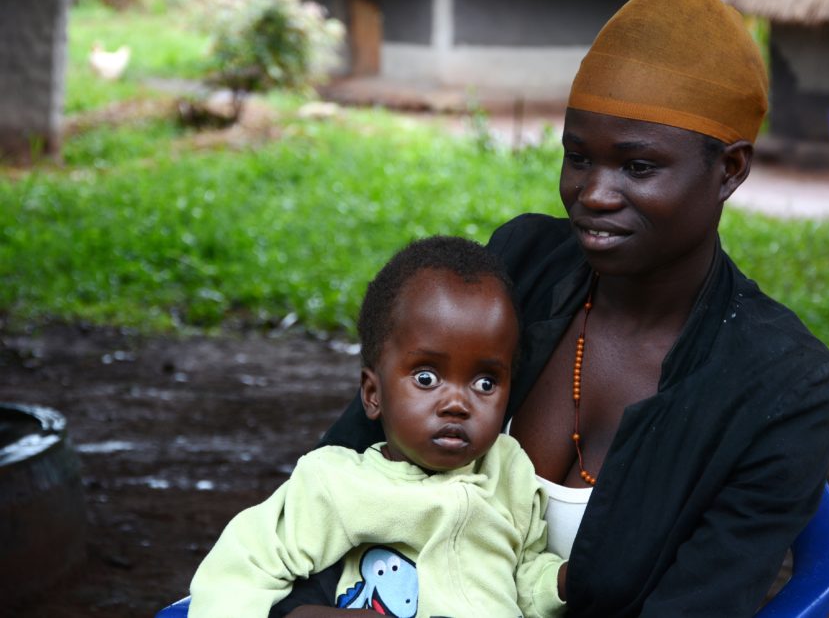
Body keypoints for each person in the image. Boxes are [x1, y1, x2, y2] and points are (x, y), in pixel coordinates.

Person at [276, 0, 829, 618]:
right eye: (578, 157)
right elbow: (344, 466)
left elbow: (697, 602)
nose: (593, 193)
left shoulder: (780, 383)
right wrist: (299, 608)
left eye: (637, 166)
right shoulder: (520, 266)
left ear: (729, 170)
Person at [190, 236, 567, 618]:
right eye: (425, 378)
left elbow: (525, 578)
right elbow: (239, 569)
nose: (457, 403)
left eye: (485, 383)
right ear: (373, 394)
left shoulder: (509, 474)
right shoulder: (336, 483)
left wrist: (561, 583)